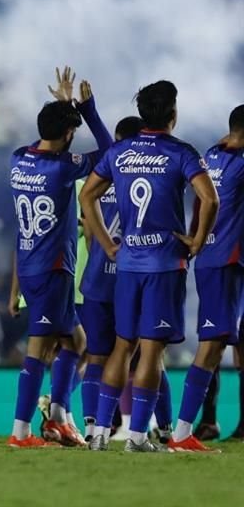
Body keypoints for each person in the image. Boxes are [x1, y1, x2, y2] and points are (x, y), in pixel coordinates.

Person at [80, 80, 218, 453]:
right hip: (163, 265)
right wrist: (198, 240)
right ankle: (138, 436)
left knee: (121, 347)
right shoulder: (180, 152)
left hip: (127, 265)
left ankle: (97, 434)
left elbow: (86, 195)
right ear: (172, 114)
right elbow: (210, 198)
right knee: (152, 351)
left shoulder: (121, 152)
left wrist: (107, 243)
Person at [6, 69, 112, 448]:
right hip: (53, 269)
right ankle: (21, 432)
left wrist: (65, 108)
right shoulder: (64, 169)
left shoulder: (19, 159)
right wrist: (87, 110)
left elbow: (51, 137)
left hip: (32, 266)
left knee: (75, 343)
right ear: (69, 134)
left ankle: (56, 419)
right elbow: (109, 151)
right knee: (40, 350)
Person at [168, 105, 244, 452]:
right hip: (224, 259)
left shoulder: (213, 154)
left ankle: (207, 424)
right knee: (212, 345)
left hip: (218, 258)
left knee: (226, 342)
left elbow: (202, 201)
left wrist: (196, 235)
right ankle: (184, 432)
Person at [78, 116, 146, 442]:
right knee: (140, 353)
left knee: (96, 355)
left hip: (96, 278)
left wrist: (103, 250)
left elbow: (90, 232)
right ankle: (151, 428)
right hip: (131, 277)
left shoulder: (99, 177)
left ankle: (94, 428)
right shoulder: (141, 177)